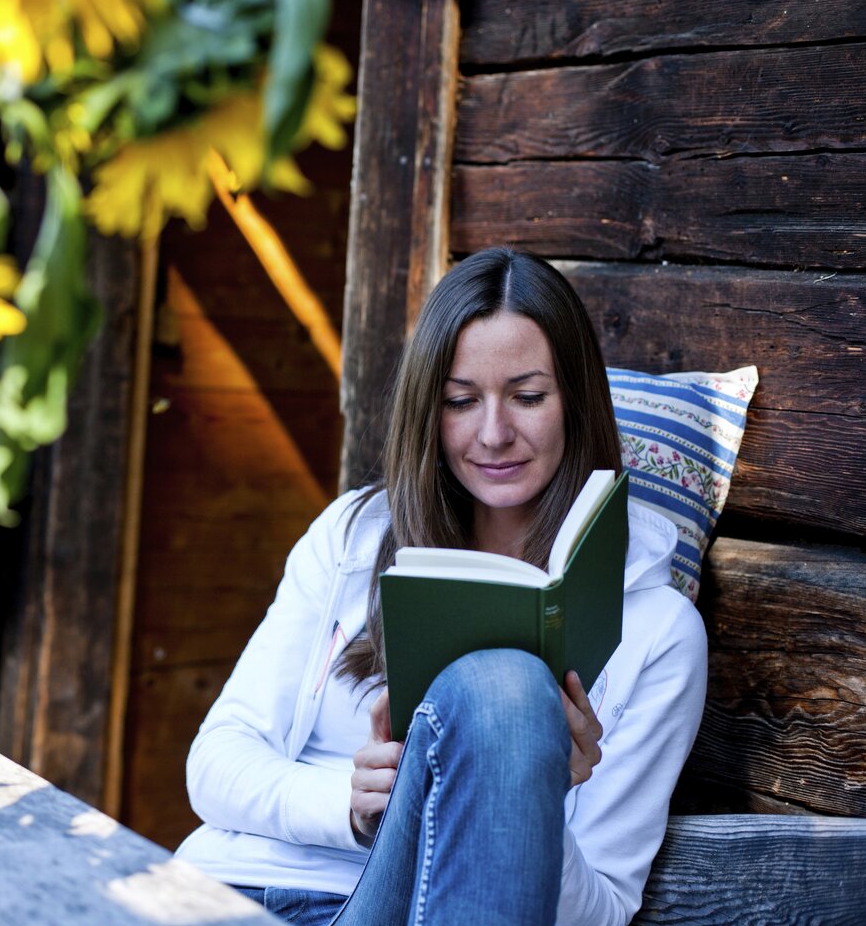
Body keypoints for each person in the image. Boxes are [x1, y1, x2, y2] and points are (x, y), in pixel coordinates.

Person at [175, 247, 708, 925]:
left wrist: (532, 805)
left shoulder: (660, 633)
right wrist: (347, 798)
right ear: (430, 409)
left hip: (415, 911)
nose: (493, 434)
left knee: (507, 688)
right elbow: (214, 764)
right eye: (461, 401)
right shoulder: (355, 535)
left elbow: (603, 908)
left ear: (574, 400)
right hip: (236, 892)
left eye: (528, 396)